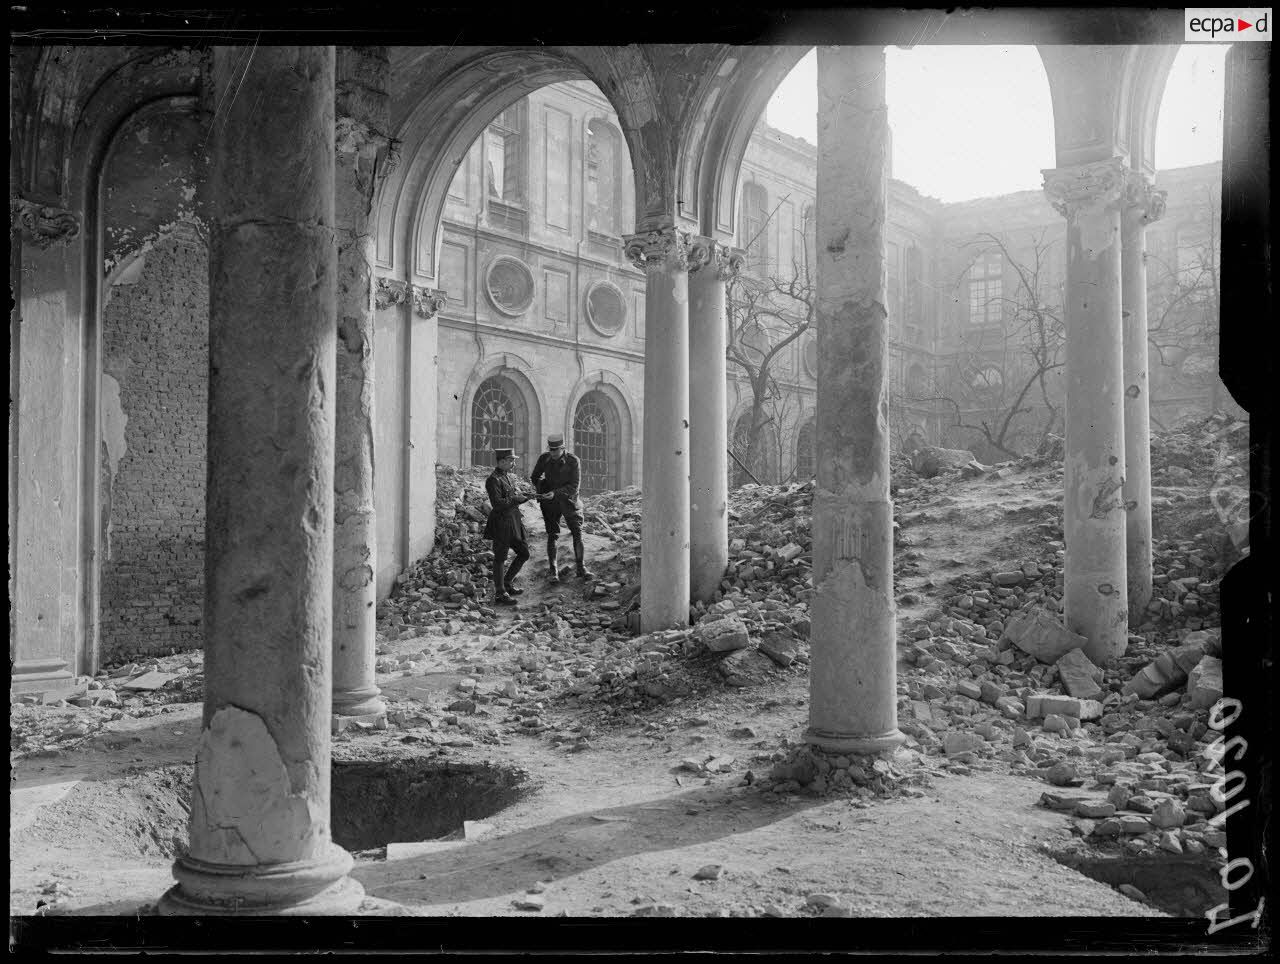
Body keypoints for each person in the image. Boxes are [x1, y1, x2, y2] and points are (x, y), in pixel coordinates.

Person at [529, 433, 593, 582]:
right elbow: (534, 477)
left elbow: (574, 486)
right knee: (553, 535)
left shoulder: (573, 461)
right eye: (551, 450)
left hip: (569, 501)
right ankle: (553, 572)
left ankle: (581, 568)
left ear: (563, 448)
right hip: (550, 502)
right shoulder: (544, 458)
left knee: (577, 532)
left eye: (556, 450)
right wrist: (543, 489)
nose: (553, 453)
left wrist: (555, 492)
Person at [483, 448, 533, 605]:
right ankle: (500, 593)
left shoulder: (505, 476)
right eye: (511, 460)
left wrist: (523, 497)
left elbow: (510, 498)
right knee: (500, 558)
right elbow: (497, 504)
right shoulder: (493, 480)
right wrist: (516, 500)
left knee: (524, 553)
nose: (513, 462)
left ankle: (507, 582)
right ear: (502, 461)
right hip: (501, 524)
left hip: (513, 522)